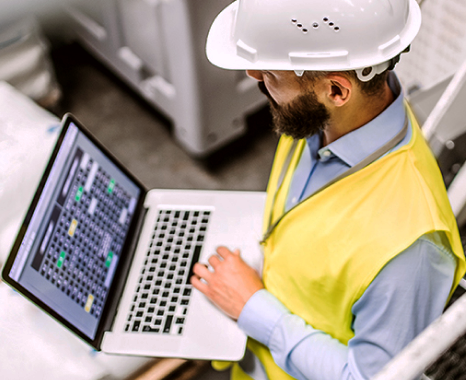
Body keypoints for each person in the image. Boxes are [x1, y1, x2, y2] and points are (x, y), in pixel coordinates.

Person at [190, 0, 466, 379]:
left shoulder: (411, 248)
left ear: (337, 90)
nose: (255, 75)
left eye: (271, 73)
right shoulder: (319, 120)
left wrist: (253, 307)